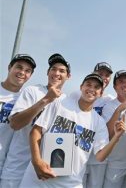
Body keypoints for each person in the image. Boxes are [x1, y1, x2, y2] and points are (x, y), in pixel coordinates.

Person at [19, 73, 126, 187]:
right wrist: (36, 161)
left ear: (100, 93)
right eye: (88, 85)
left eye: (96, 87)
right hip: (38, 179)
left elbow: (100, 156)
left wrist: (116, 137)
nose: (91, 89)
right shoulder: (59, 103)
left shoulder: (98, 122)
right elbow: (36, 131)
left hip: (70, 184)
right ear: (81, 87)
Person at [0, 53, 71, 188]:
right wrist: (46, 100)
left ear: (68, 76)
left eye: (62, 71)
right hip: (17, 168)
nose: (56, 73)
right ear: (47, 72)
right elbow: (15, 124)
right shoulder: (32, 91)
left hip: (43, 174)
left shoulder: (68, 103)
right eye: (53, 69)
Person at [101, 70, 126, 188]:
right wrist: (119, 110)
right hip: (115, 164)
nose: (125, 84)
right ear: (115, 87)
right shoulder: (109, 107)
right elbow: (107, 135)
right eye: (120, 82)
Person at [0, 54, 36, 176]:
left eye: (27, 71)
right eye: (19, 67)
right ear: (10, 67)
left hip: (8, 166)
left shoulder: (26, 100)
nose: (22, 72)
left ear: (30, 76)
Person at [82, 62, 114, 188]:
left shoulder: (110, 100)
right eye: (100, 74)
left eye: (107, 75)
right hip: (80, 154)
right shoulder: (79, 95)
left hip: (98, 157)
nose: (104, 77)